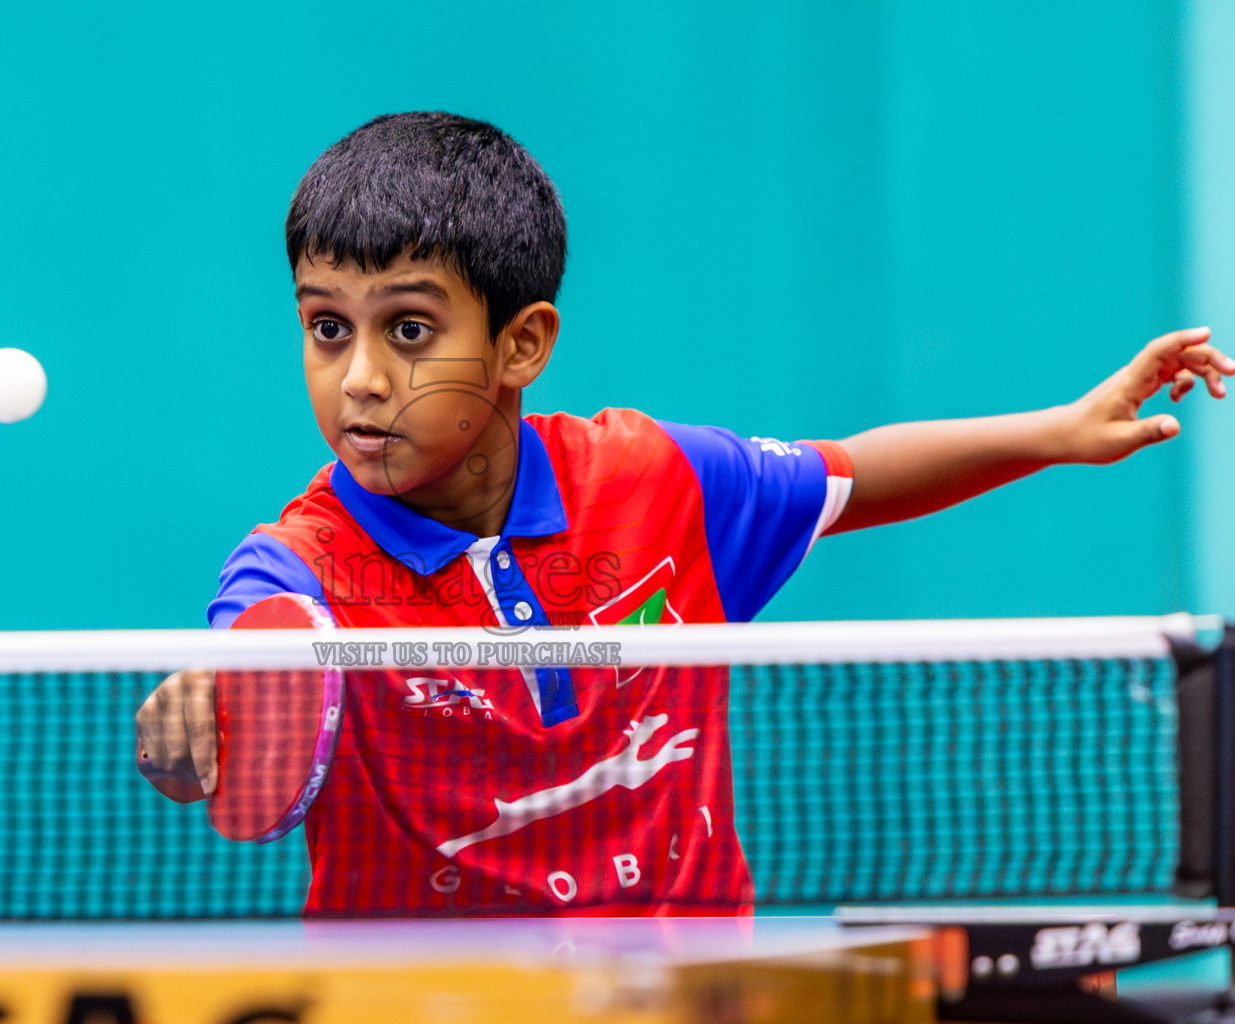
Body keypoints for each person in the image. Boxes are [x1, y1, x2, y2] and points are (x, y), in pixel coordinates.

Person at [135, 111, 1232, 916]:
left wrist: (1060, 430)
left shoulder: (656, 482)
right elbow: (250, 647)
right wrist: (195, 718)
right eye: (328, 329)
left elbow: (850, 475)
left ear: (523, 343)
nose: (361, 380)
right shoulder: (305, 562)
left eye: (409, 331)